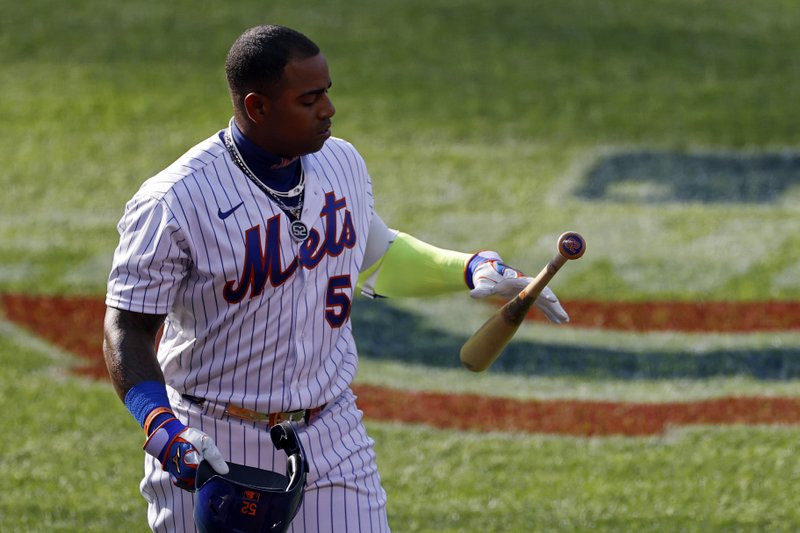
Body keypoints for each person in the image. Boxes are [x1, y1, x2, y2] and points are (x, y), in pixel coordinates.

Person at [103, 24, 568, 532]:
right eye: (309, 99)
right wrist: (161, 427)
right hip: (213, 444)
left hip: (330, 434)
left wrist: (468, 268)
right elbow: (126, 328)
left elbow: (374, 257)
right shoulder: (175, 201)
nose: (328, 109)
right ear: (257, 107)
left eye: (327, 93)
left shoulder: (341, 162)